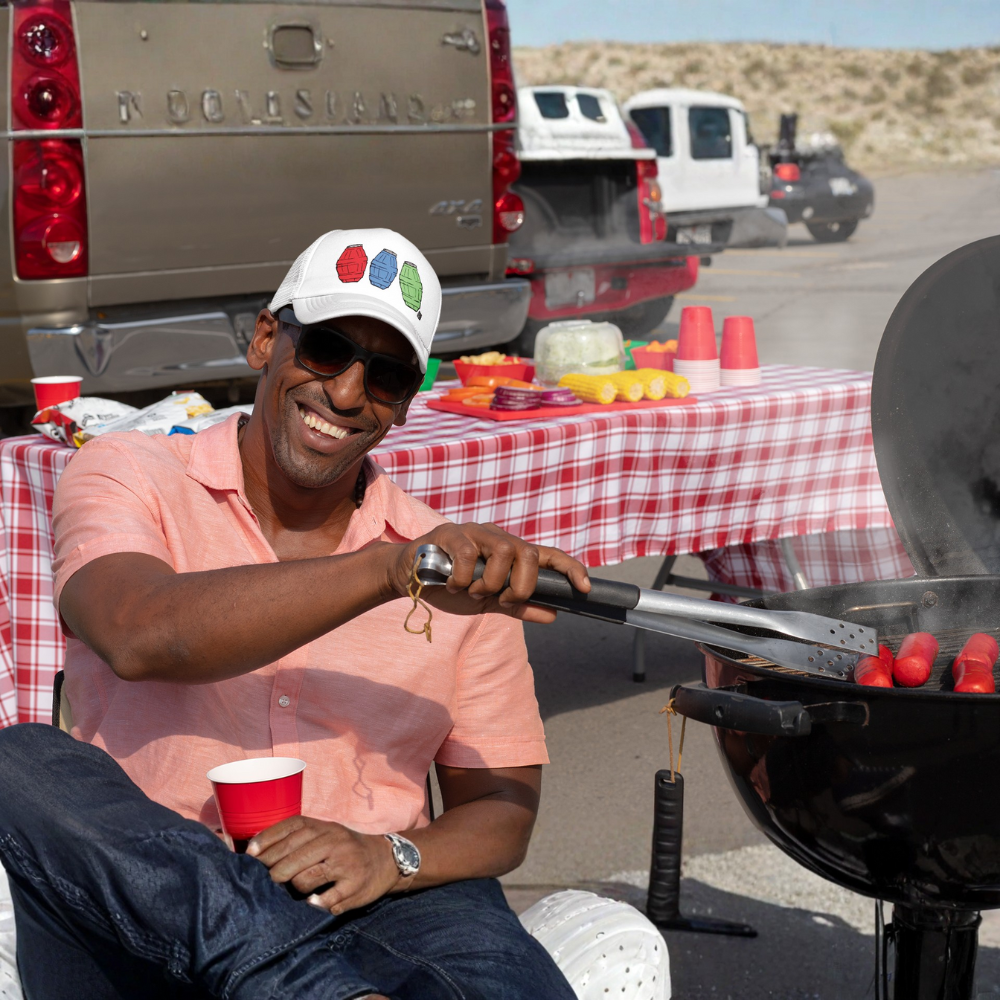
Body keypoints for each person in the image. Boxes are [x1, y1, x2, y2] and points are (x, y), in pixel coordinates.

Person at [0, 229, 591, 1000]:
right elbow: (139, 633)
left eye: (384, 375)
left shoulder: (450, 567)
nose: (347, 394)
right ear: (266, 339)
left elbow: (501, 812)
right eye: (326, 350)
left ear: (407, 402)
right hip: (161, 896)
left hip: (375, 892)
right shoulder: (127, 471)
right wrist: (389, 572)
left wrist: (389, 857)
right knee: (26, 764)